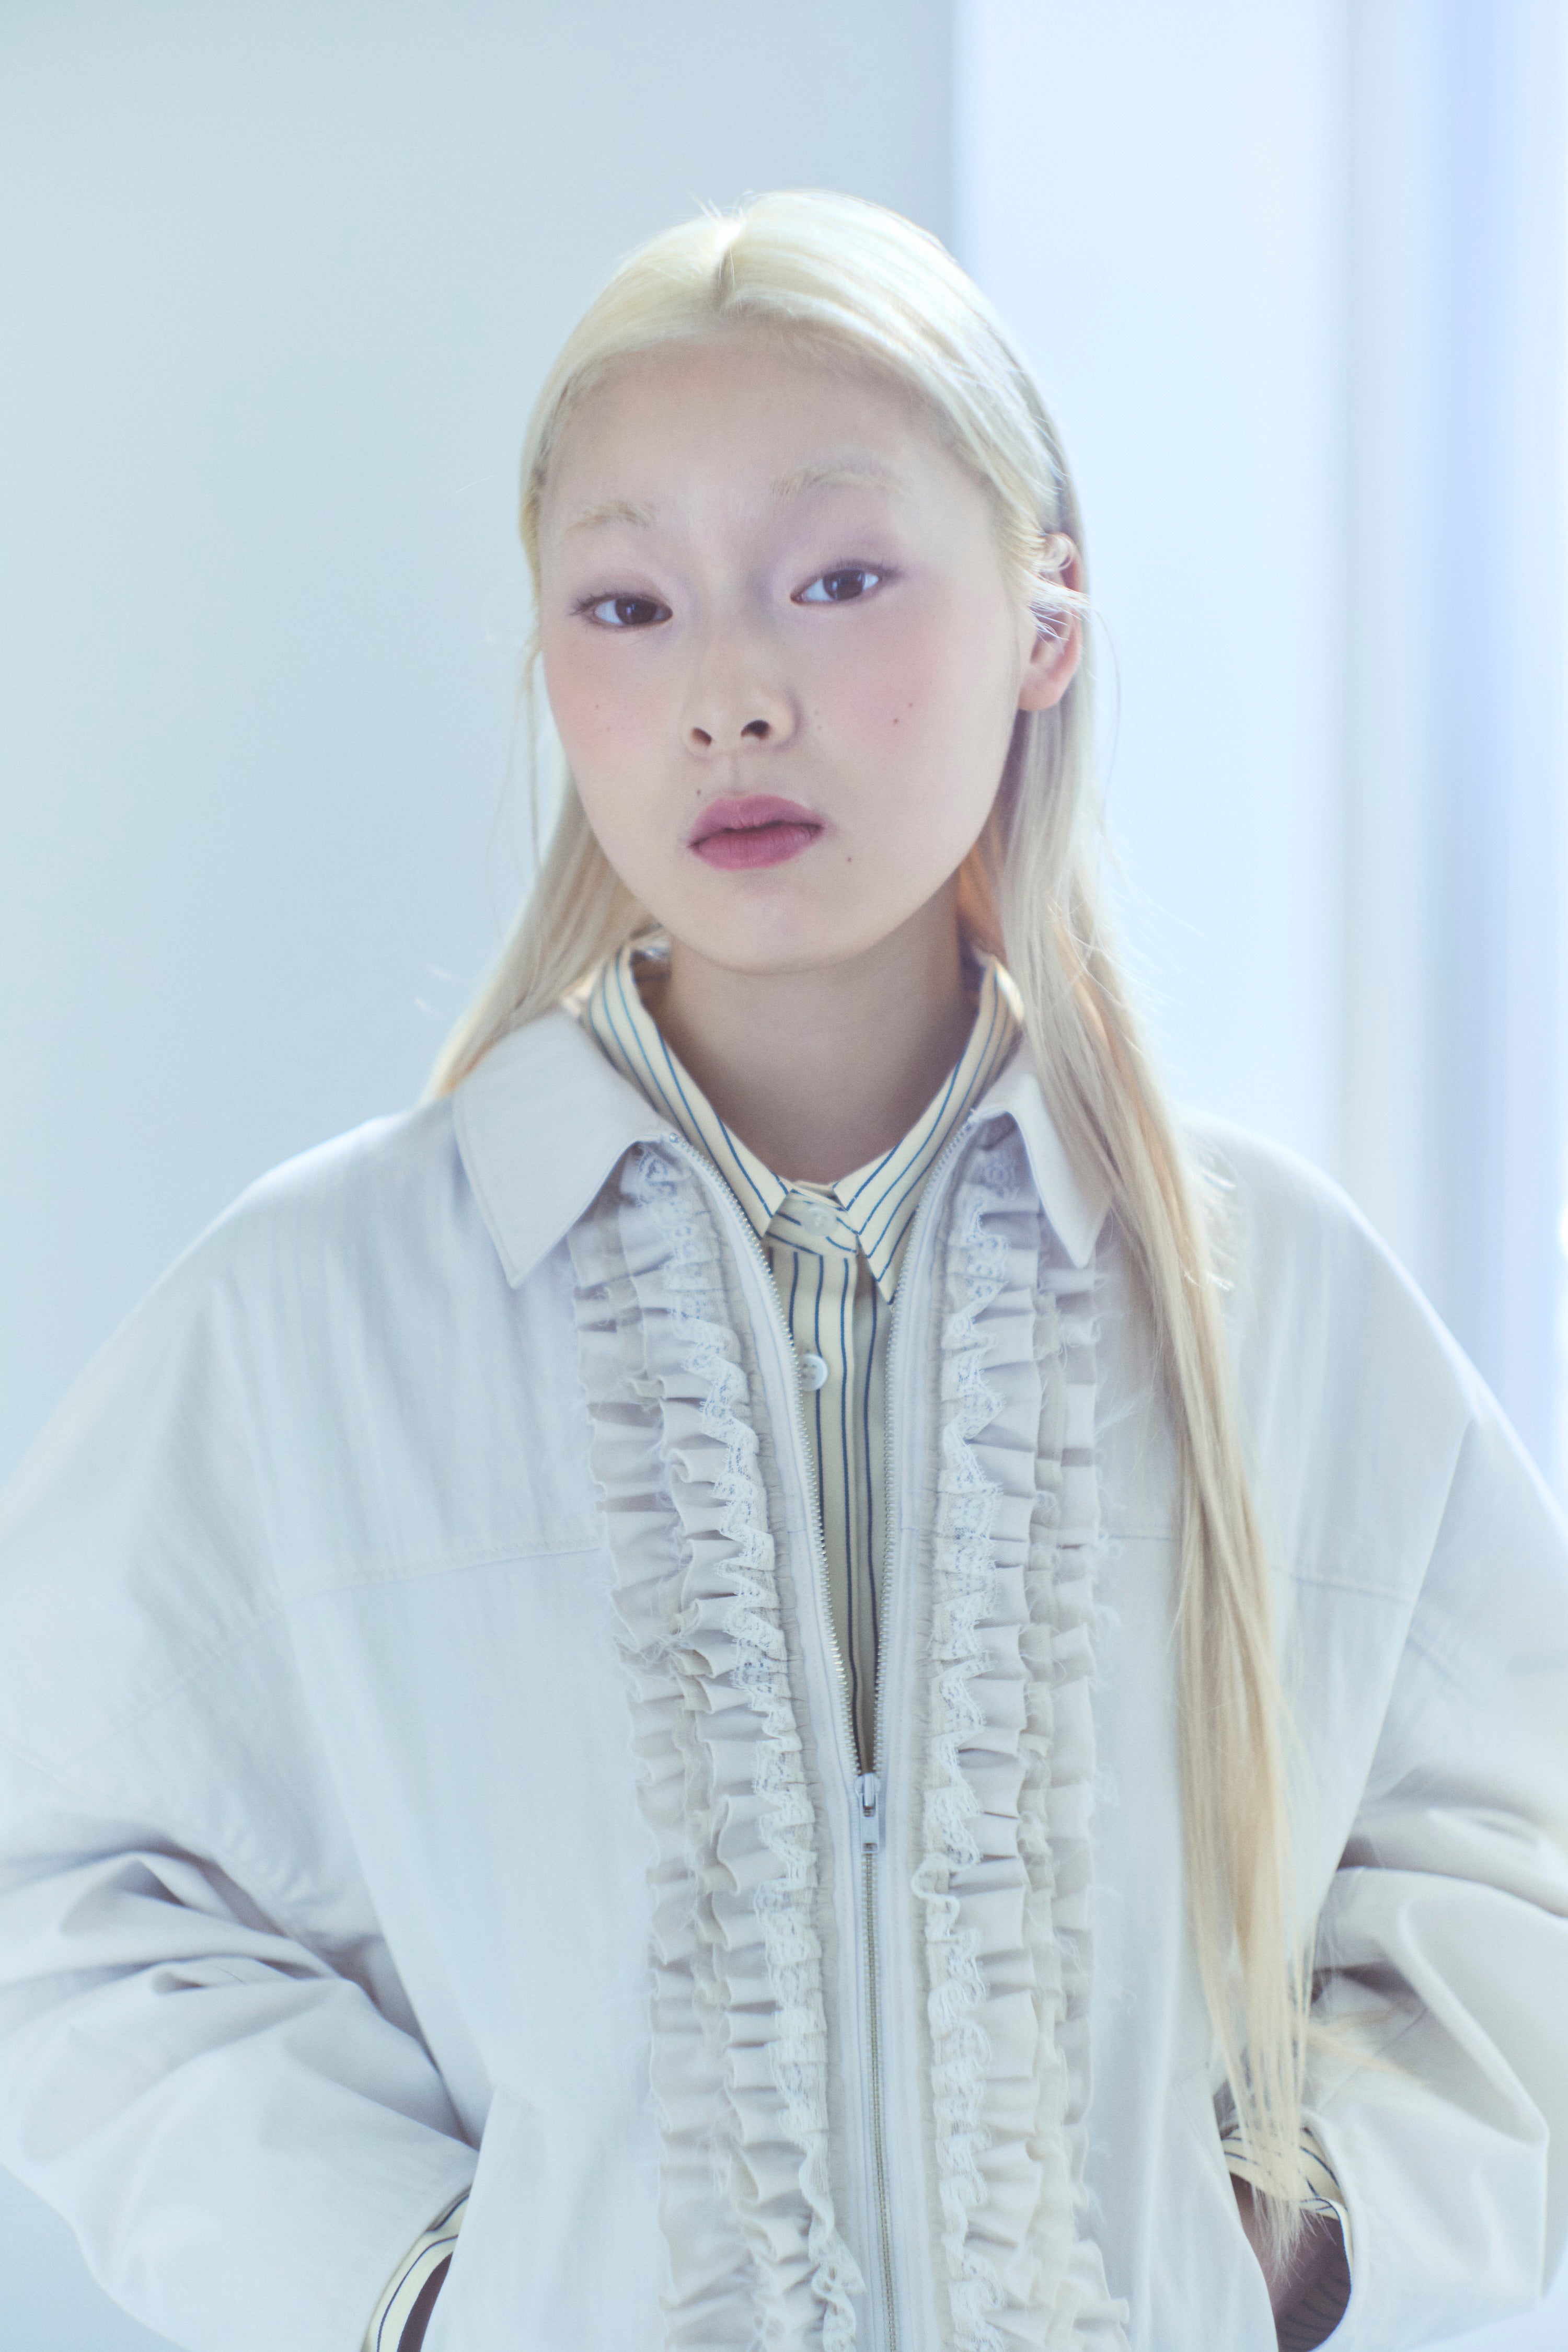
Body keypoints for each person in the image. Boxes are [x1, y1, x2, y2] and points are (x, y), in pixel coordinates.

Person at [1, 190, 1564, 2352]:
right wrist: (424, 2296)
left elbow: (1523, 1860)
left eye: (838, 579)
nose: (731, 695)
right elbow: (67, 1893)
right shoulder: (306, 1318)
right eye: (628, 604)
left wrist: (1302, 2249)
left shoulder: (1279, 1302)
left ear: (1045, 618)